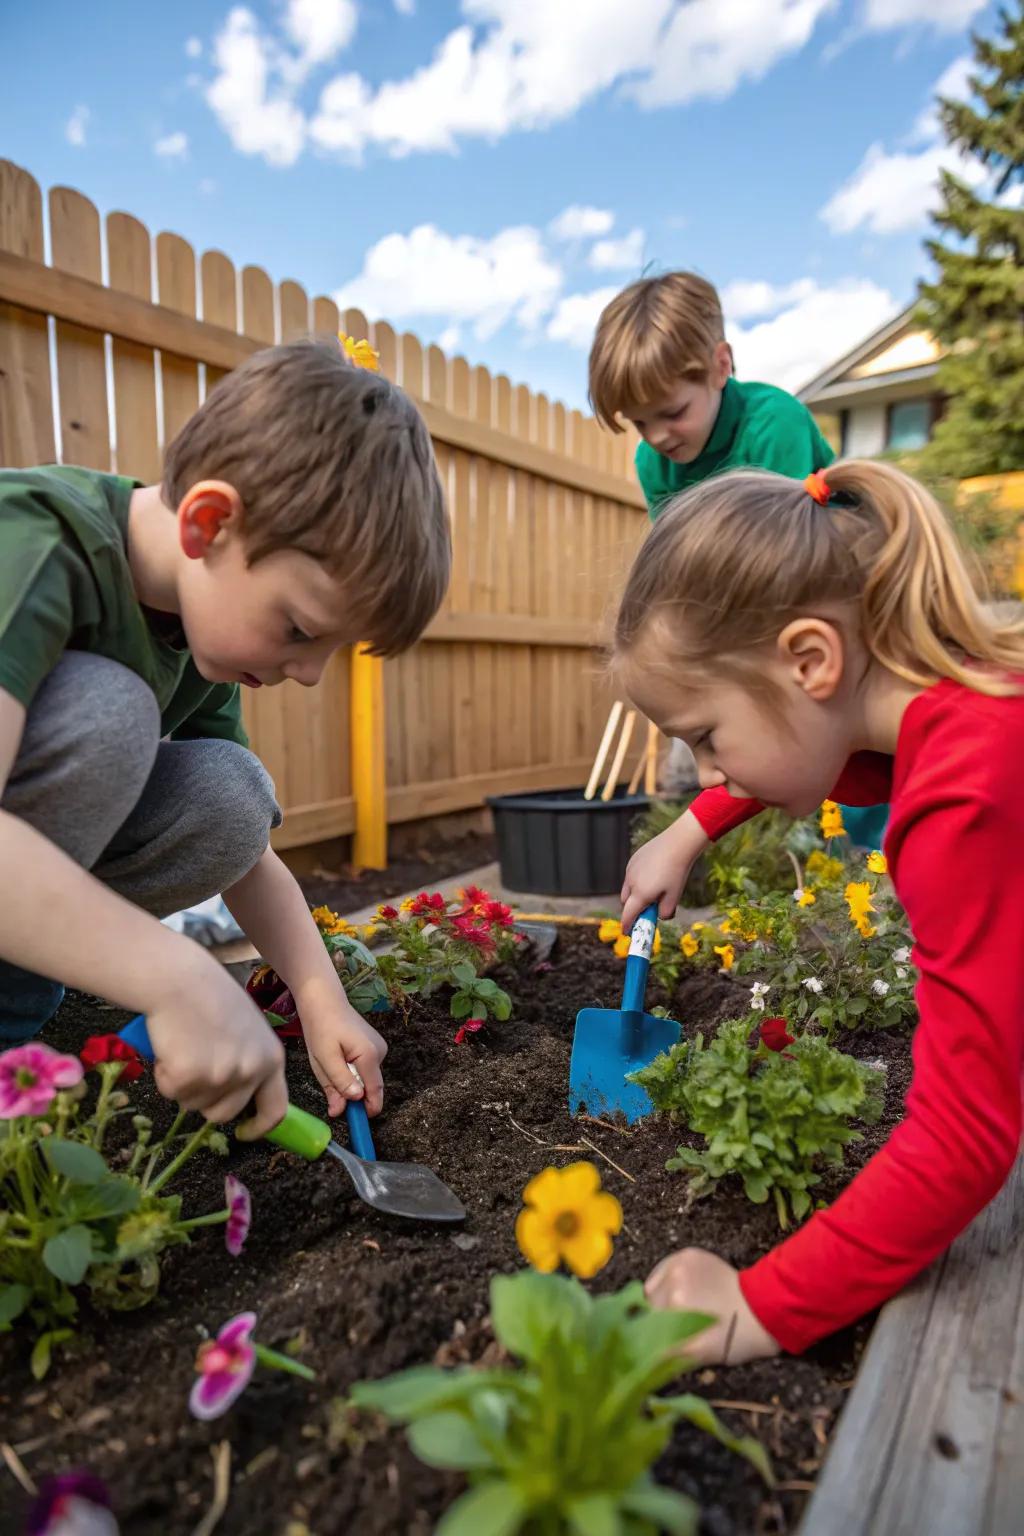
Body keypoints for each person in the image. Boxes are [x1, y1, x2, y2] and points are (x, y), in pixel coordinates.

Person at [615, 459, 1024, 1362]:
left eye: (706, 740)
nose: (709, 772)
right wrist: (693, 828)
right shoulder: (961, 694)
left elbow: (967, 1137)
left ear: (811, 657)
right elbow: (809, 735)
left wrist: (755, 1309)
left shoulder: (965, 799)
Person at [0, 340, 450, 1138]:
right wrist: (174, 976)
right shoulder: (33, 544)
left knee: (232, 794)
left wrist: (318, 994)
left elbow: (245, 848)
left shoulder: (191, 634)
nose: (311, 675)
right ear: (208, 523)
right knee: (114, 713)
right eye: (301, 629)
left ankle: (20, 1023)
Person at [586, 270, 874, 822]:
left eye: (671, 413)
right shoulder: (655, 462)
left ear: (721, 366)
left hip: (833, 595)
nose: (658, 437)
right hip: (752, 618)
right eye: (638, 422)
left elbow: (786, 553)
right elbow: (681, 568)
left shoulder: (773, 422)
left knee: (846, 760)